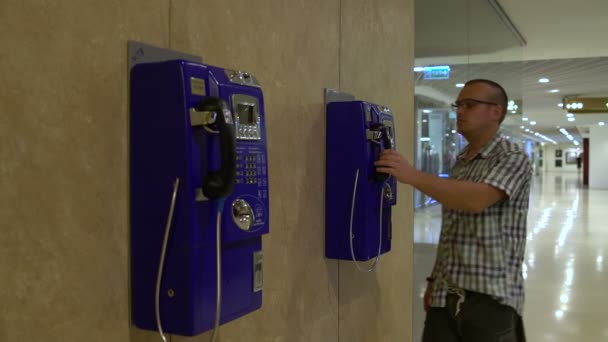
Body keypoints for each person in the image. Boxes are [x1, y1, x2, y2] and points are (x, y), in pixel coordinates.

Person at [376, 79, 531, 342]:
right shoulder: (462, 161)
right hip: (445, 297)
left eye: (469, 105)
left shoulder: (512, 157)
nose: (460, 111)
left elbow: (475, 200)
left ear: (496, 111)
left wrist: (412, 175)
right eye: (458, 105)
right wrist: (435, 280)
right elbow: (452, 229)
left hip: (490, 300)